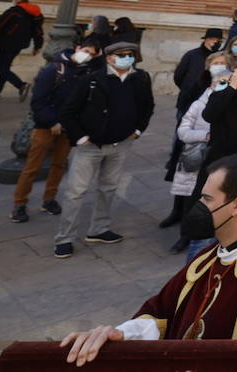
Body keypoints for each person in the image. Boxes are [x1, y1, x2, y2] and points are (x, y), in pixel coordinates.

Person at [60, 152, 237, 363]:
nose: (198, 205)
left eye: (207, 199)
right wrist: (121, 335)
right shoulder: (208, 259)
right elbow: (162, 313)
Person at [53, 40, 155, 258]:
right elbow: (67, 112)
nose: (126, 58)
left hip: (121, 145)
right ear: (109, 58)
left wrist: (138, 130)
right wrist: (81, 138)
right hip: (90, 146)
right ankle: (65, 238)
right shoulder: (91, 80)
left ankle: (99, 229)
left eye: (130, 55)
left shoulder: (140, 80)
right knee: (75, 192)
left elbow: (148, 107)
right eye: (121, 55)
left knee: (108, 188)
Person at [14, 40, 97, 224]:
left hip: (68, 128)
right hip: (45, 126)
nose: (87, 56)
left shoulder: (86, 73)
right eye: (85, 51)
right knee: (32, 167)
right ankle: (19, 204)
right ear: (77, 48)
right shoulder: (53, 69)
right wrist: (52, 121)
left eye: (92, 54)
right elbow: (38, 101)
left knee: (59, 165)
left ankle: (49, 199)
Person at [169, 57, 231, 256]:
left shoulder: (231, 103)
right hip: (196, 158)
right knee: (191, 200)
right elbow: (182, 131)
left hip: (218, 158)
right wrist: (204, 136)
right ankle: (185, 235)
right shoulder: (198, 104)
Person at [163, 28, 224, 227]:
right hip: (189, 116)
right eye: (216, 64)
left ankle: (196, 220)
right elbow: (179, 76)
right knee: (183, 170)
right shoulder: (192, 56)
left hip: (213, 137)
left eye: (222, 64)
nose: (219, 67)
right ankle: (177, 212)